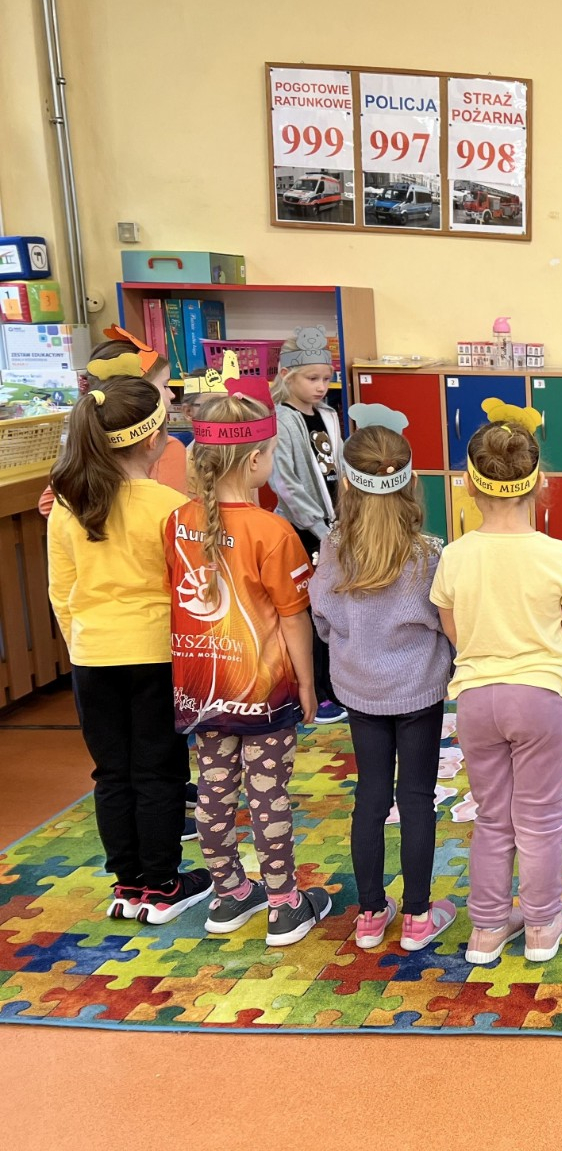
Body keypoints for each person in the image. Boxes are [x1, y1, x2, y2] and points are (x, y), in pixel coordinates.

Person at [168, 383, 332, 946]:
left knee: (213, 790)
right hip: (264, 690)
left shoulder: (176, 522)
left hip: (201, 691)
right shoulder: (274, 531)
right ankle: (284, 904)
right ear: (256, 459)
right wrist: (308, 683)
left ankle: (229, 893)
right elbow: (294, 619)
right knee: (268, 794)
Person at [430, 403, 562, 965]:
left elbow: (453, 631)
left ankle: (487, 929)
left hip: (477, 699)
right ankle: (543, 925)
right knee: (540, 820)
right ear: (539, 483)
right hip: (542, 696)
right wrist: (540, 658)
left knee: (492, 818)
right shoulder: (560, 555)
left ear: (469, 485)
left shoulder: (454, 556)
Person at [45, 376, 206, 924]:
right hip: (156, 655)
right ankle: (162, 885)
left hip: (93, 655)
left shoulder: (67, 504)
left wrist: (83, 644)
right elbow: (193, 590)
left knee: (112, 773)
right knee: (159, 771)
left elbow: (61, 590)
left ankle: (127, 885)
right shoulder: (171, 506)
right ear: (154, 440)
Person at [309, 411, 456, 952]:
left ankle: (370, 915)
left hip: (360, 692)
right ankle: (417, 916)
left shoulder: (334, 548)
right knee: (417, 798)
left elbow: (323, 619)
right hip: (419, 692)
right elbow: (447, 624)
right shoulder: (429, 554)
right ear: (411, 483)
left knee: (370, 797)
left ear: (347, 485)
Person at [269, 326, 345, 724]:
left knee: (333, 606)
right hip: (304, 532)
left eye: (326, 379)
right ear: (287, 376)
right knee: (310, 612)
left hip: (334, 527)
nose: (320, 387)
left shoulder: (328, 416)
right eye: (312, 378)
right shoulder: (282, 421)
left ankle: (335, 685)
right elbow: (286, 484)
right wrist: (320, 529)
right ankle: (315, 691)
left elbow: (339, 471)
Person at [39, 328, 188, 515]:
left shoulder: (89, 436)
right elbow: (176, 516)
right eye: (165, 385)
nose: (172, 394)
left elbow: (49, 505)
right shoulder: (166, 447)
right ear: (138, 390)